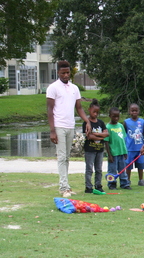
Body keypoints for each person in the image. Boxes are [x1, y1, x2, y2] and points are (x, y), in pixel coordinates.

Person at [46, 60, 91, 197]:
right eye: (63, 73)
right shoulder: (53, 88)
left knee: (67, 157)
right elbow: (49, 109)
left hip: (70, 126)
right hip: (59, 126)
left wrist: (87, 121)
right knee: (62, 157)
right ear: (58, 72)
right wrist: (52, 130)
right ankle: (63, 187)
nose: (66, 75)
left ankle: (66, 185)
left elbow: (79, 108)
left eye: (67, 72)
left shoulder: (74, 88)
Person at [82, 99, 108, 193]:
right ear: (89, 110)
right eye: (94, 112)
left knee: (99, 169)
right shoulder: (86, 123)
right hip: (90, 149)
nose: (96, 114)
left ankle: (98, 185)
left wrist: (97, 136)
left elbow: (106, 134)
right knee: (89, 169)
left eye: (97, 112)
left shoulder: (100, 123)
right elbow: (89, 136)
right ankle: (88, 187)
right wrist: (101, 136)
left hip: (100, 150)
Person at [104, 107, 131, 190]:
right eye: (114, 116)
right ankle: (112, 184)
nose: (116, 118)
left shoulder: (120, 126)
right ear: (110, 116)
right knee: (112, 170)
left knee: (122, 169)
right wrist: (109, 155)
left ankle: (124, 183)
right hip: (113, 153)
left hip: (121, 152)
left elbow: (123, 140)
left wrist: (125, 151)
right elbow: (106, 142)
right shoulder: (108, 127)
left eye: (117, 116)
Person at [124, 103, 144, 186]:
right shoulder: (126, 122)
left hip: (140, 148)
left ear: (139, 111)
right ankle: (127, 180)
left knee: (141, 165)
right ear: (129, 111)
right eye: (132, 110)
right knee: (128, 165)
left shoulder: (142, 121)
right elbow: (125, 134)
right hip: (130, 148)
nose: (134, 112)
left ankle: (141, 180)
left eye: (136, 110)